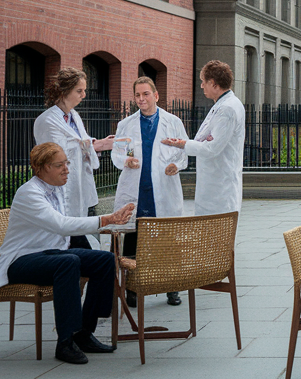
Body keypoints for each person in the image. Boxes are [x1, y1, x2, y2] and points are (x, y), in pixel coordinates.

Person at [0, 142, 135, 364]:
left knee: (104, 260)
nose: (66, 168)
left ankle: (84, 334)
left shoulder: (56, 189)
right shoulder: (29, 193)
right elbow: (61, 225)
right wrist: (107, 219)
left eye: (66, 163)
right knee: (68, 262)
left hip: (50, 254)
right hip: (20, 260)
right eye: (59, 165)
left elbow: (69, 227)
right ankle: (65, 342)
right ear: (41, 168)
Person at [112, 75, 189, 307]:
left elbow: (183, 150)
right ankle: (132, 289)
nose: (141, 99)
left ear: (155, 95)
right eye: (137, 95)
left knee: (167, 240)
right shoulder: (125, 125)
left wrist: (177, 165)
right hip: (137, 189)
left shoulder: (173, 121)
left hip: (163, 188)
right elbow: (117, 153)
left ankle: (171, 288)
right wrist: (127, 161)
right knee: (133, 238)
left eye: (146, 94)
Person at [34, 67, 114, 248]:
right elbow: (54, 154)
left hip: (78, 185)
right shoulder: (47, 120)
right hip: (58, 188)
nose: (83, 95)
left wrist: (99, 144)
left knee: (78, 234)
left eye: (84, 90)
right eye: (79, 91)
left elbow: (80, 142)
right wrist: (96, 145)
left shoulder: (74, 116)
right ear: (64, 91)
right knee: (69, 239)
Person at [161, 60, 243, 217]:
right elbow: (205, 140)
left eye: (203, 82)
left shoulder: (227, 108)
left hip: (220, 189)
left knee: (218, 236)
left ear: (213, 83)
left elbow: (212, 148)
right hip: (214, 186)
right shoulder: (223, 104)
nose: (201, 86)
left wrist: (183, 144)